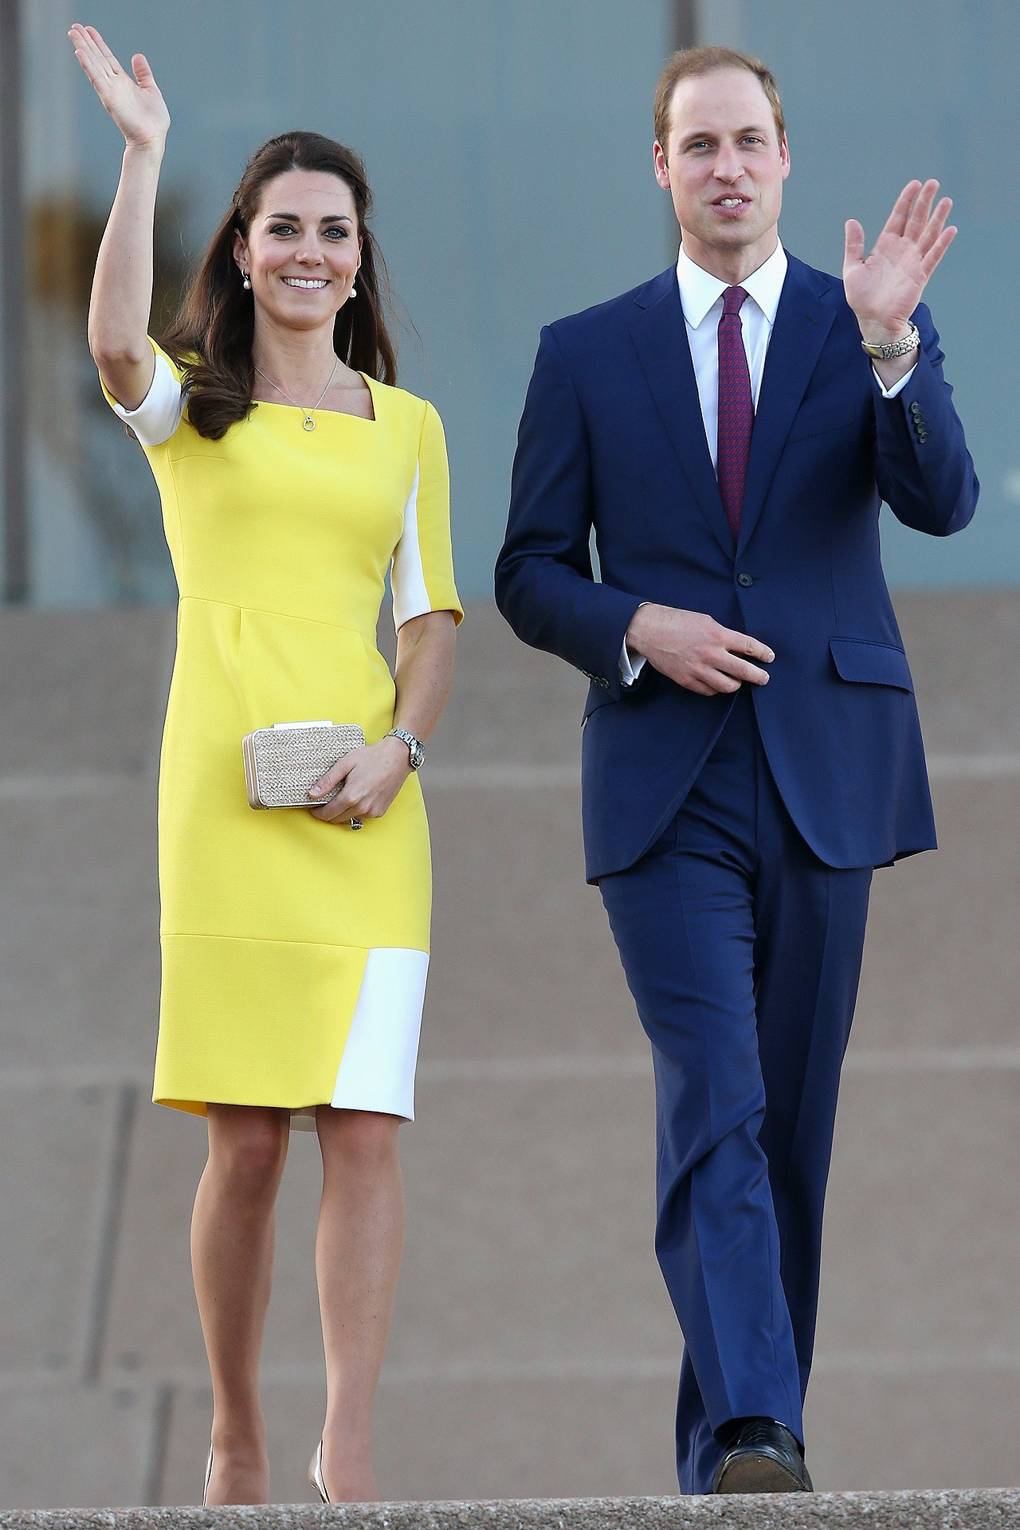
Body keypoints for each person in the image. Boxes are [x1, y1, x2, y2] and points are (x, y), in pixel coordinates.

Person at [495, 45, 977, 1496]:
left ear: (783, 158)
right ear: (662, 166)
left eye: (749, 140)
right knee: (716, 1095)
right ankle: (766, 1423)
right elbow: (524, 572)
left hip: (828, 768)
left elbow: (944, 499)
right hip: (663, 781)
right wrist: (634, 621)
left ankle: (730, 1448)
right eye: (696, 143)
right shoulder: (586, 351)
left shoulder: (865, 323)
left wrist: (896, 351)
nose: (725, 165)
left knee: (790, 1121)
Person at [69, 22, 462, 1508]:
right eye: (281, 228)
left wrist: (400, 748)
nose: (307, 251)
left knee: (365, 1131)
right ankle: (236, 1427)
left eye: (332, 231)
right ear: (241, 252)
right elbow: (109, 345)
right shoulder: (189, 407)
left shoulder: (408, 429)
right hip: (222, 809)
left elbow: (431, 622)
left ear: (360, 260)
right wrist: (143, 156)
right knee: (245, 1146)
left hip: (368, 815)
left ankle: (345, 1447)